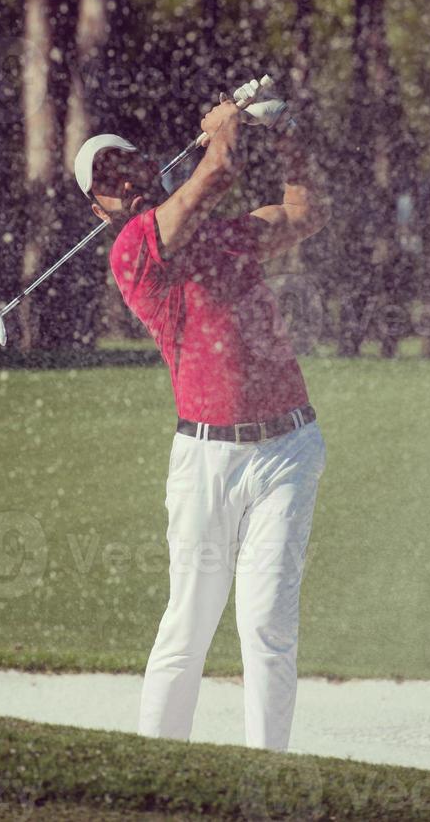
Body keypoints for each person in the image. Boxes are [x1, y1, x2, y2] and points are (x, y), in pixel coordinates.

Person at [75, 91, 331, 751]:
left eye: (125, 166)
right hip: (206, 461)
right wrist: (226, 129)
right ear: (98, 208)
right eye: (105, 182)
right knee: (188, 627)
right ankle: (158, 774)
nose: (122, 182)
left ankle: (267, 779)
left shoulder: (226, 235)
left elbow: (304, 213)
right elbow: (214, 173)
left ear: (149, 165)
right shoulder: (133, 251)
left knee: (267, 627)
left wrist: (290, 134)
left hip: (288, 451)